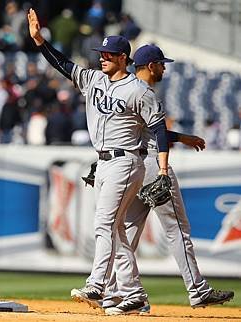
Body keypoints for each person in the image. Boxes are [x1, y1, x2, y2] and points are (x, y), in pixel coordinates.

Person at [28, 8, 170, 314]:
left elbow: (159, 128)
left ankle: (97, 284)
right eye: (101, 53)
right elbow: (63, 64)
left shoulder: (138, 90)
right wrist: (40, 41)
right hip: (103, 163)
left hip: (126, 160)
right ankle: (133, 292)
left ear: (123, 58)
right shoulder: (92, 79)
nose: (102, 57)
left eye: (108, 54)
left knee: (104, 223)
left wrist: (162, 169)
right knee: (115, 229)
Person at [102, 44, 234, 315]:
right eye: (161, 64)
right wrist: (163, 168)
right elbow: (158, 133)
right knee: (177, 230)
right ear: (150, 66)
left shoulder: (122, 89)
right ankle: (197, 289)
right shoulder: (145, 92)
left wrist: (182, 137)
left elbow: (146, 129)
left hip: (129, 166)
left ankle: (115, 293)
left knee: (126, 231)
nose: (163, 68)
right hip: (151, 164)